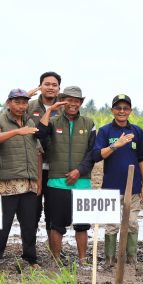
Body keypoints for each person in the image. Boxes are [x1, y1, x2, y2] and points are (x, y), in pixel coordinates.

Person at [36, 86, 96, 266]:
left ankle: (83, 260)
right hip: (56, 182)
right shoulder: (52, 122)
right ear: (62, 101)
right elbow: (39, 135)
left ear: (81, 103)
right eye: (69, 100)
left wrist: (79, 171)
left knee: (82, 225)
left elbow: (92, 153)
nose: (73, 104)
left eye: (77, 100)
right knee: (56, 225)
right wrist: (50, 111)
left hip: (82, 183)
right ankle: (55, 260)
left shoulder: (89, 123)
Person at [0, 89, 42, 268]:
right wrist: (17, 132)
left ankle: (30, 259)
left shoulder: (29, 121)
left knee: (29, 224)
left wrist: (38, 179)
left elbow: (38, 151)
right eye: (17, 102)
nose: (21, 106)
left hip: (29, 182)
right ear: (9, 103)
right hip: (7, 182)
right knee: (2, 223)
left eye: (24, 102)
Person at [92, 94, 143, 266]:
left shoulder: (137, 131)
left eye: (125, 108)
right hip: (111, 186)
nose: (121, 111)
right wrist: (117, 144)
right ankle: (109, 258)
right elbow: (97, 155)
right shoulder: (105, 131)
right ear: (112, 110)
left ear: (130, 110)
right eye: (118, 108)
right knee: (111, 224)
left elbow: (141, 158)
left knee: (131, 222)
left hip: (133, 186)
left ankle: (131, 257)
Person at [27, 71, 62, 235]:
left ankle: (53, 248)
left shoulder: (65, 106)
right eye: (47, 84)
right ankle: (30, 248)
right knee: (32, 210)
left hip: (56, 166)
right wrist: (25, 96)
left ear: (59, 88)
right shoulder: (29, 106)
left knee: (54, 210)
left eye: (54, 85)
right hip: (33, 166)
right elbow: (9, 112)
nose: (50, 87)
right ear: (40, 86)